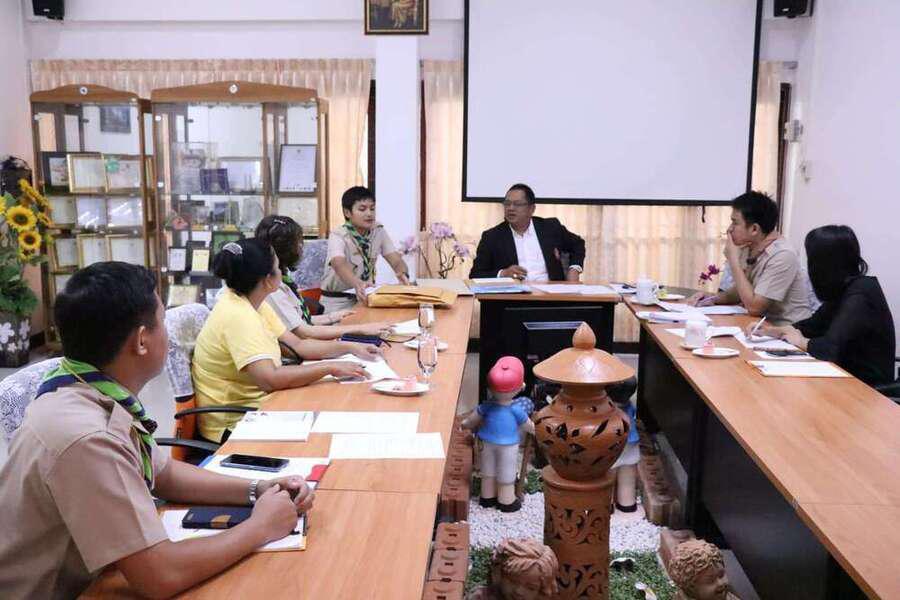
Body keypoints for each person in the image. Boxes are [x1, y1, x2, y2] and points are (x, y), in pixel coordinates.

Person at [0, 262, 314, 599]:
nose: (168, 332)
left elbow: (164, 474)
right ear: (141, 341)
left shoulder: (93, 388)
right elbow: (161, 575)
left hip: (98, 573)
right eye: (162, 321)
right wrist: (261, 527)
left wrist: (258, 489)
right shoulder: (88, 437)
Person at [193, 238, 379, 443]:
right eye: (277, 267)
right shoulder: (238, 315)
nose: (281, 271)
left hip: (265, 406)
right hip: (238, 423)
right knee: (337, 427)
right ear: (267, 280)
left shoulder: (253, 302)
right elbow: (269, 379)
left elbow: (298, 345)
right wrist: (330, 367)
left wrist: (350, 347)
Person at [748, 225, 896, 387]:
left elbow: (829, 349)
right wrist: (773, 331)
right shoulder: (843, 288)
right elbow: (812, 326)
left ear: (825, 264)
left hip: (867, 389)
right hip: (841, 378)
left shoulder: (861, 293)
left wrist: (800, 341)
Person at [255, 215, 395, 340]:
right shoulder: (273, 289)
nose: (301, 247)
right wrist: (361, 329)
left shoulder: (283, 280)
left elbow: (299, 321)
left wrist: (333, 316)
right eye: (298, 242)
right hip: (298, 354)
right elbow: (303, 332)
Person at [688, 191, 812, 326]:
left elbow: (754, 307)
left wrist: (733, 260)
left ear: (754, 229)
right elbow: (741, 292)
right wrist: (713, 298)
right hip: (758, 326)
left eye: (735, 223)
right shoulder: (749, 247)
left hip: (787, 331)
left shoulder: (782, 255)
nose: (729, 229)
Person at [469, 183, 585, 282]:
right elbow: (476, 274)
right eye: (507, 204)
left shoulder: (550, 227)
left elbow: (578, 244)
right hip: (513, 298)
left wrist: (574, 269)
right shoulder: (492, 237)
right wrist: (503, 273)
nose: (511, 208)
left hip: (551, 295)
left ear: (532, 209)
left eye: (517, 204)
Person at [320, 186, 410, 312]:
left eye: (372, 209)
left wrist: (403, 273)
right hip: (337, 302)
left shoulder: (378, 231)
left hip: (366, 299)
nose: (369, 214)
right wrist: (357, 284)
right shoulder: (338, 235)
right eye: (362, 209)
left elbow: (395, 260)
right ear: (347, 212)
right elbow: (338, 264)